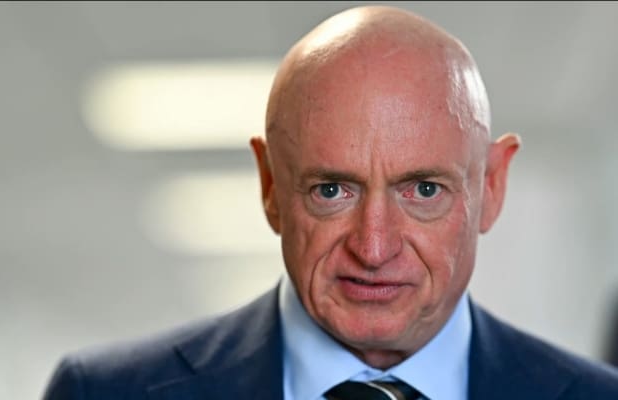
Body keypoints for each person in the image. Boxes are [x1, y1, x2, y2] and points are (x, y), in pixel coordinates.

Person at [44, 6, 618, 399]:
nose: (373, 248)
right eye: (331, 190)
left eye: (423, 190)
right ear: (270, 185)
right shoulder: (102, 393)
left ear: (491, 186)